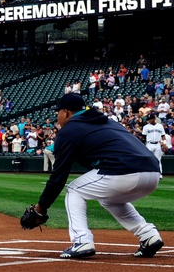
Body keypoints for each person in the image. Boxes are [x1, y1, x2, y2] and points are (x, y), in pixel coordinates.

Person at [29, 94, 163, 259]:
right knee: (109, 199)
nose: (57, 117)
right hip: (153, 172)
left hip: (124, 171)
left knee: (74, 190)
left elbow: (59, 176)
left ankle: (82, 240)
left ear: (66, 112)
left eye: (58, 112)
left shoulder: (69, 130)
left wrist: (41, 207)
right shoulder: (106, 121)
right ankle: (149, 235)